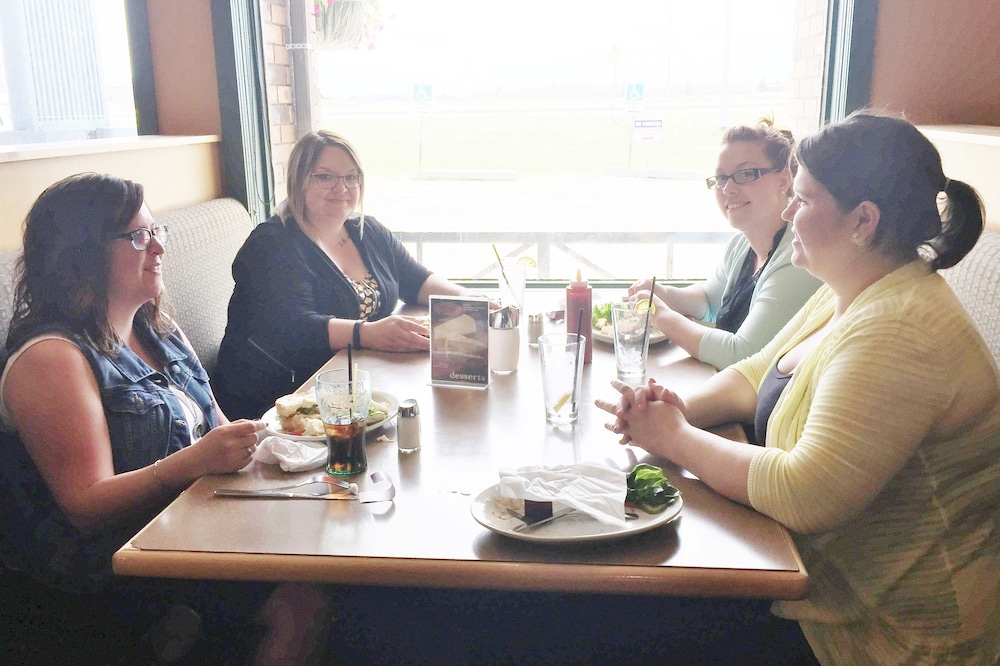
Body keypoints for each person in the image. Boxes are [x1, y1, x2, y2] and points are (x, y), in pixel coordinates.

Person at [598, 112, 1000, 664]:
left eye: (803, 199)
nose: (788, 213)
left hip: (879, 633)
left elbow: (803, 492)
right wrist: (672, 410)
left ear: (863, 221)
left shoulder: (900, 330)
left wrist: (674, 438)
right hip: (816, 587)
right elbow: (755, 373)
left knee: (605, 621)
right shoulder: (850, 286)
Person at [0, 173, 329, 664]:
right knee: (300, 600)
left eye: (156, 231)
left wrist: (296, 451)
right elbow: (85, 505)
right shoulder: (50, 357)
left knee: (326, 533)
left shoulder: (156, 325)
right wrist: (195, 462)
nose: (157, 247)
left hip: (193, 521)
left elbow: (218, 427)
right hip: (118, 566)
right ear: (81, 254)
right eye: (138, 236)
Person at [213, 130, 470, 420]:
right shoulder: (272, 244)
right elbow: (294, 327)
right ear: (299, 180)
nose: (342, 187)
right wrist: (369, 334)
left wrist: (471, 299)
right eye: (325, 177)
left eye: (351, 177)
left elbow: (417, 280)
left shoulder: (367, 231)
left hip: (351, 384)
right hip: (281, 399)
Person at [629, 119, 821, 369]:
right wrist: (662, 293)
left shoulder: (799, 256)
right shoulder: (741, 245)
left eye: (745, 174)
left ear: (784, 180)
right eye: (721, 178)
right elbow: (708, 301)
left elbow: (742, 354)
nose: (728, 188)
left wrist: (658, 314)